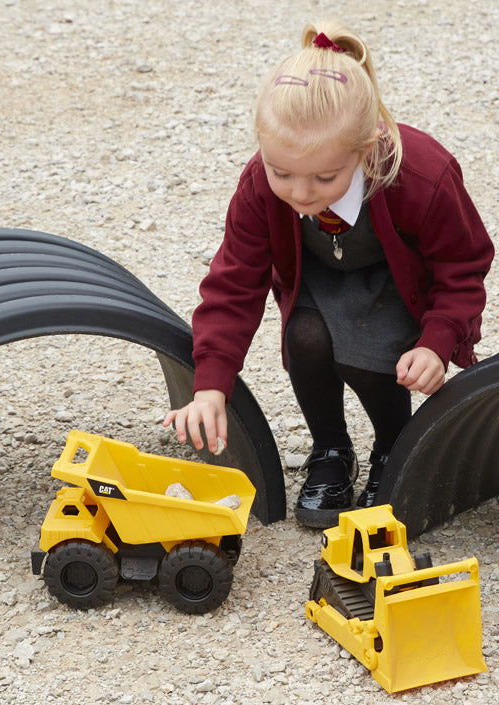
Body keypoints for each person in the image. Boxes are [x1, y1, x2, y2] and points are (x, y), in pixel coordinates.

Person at [163, 21, 494, 528]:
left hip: (393, 284)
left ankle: (393, 447)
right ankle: (331, 451)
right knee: (306, 336)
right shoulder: (260, 182)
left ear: (369, 145)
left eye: (324, 177)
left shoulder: (421, 175)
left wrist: (437, 340)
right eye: (282, 173)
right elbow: (234, 280)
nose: (299, 192)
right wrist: (210, 384)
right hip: (321, 278)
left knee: (368, 355)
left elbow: (463, 262)